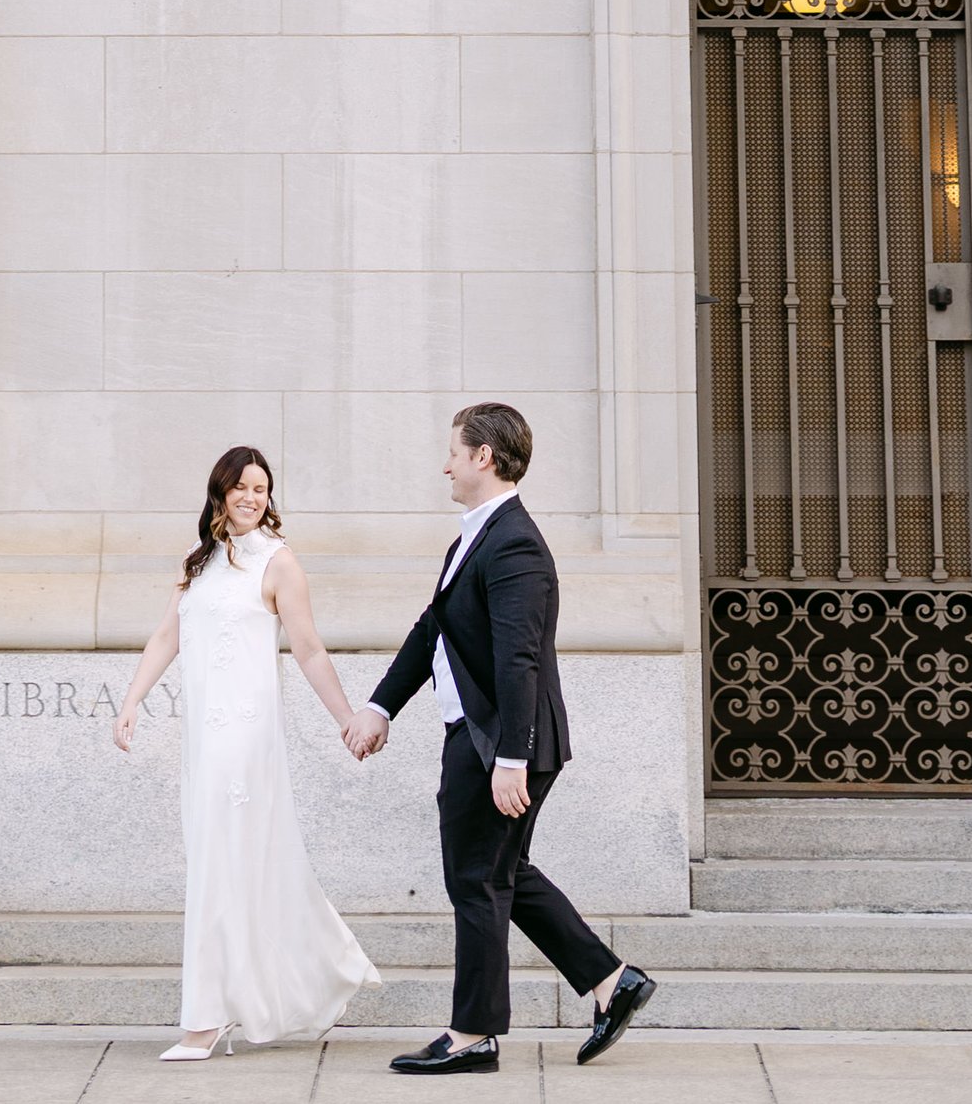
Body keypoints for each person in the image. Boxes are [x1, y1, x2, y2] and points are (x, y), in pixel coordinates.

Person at [343, 402, 654, 1076]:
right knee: (501, 874)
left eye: (454, 451)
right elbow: (434, 632)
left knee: (476, 881)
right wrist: (379, 707)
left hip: (500, 744)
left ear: (484, 456)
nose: (446, 464)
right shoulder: (474, 539)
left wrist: (509, 758)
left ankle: (472, 1035)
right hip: (487, 739)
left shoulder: (513, 541)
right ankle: (610, 981)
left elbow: (520, 659)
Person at [114, 441, 381, 1061]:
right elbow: (166, 635)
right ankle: (316, 969)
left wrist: (348, 720)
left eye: (261, 488)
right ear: (220, 492)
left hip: (247, 739)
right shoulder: (198, 563)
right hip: (203, 742)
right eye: (241, 487)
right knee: (221, 866)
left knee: (218, 869)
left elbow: (309, 649)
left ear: (269, 496)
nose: (251, 497)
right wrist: (131, 701)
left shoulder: (280, 564)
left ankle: (204, 1022)